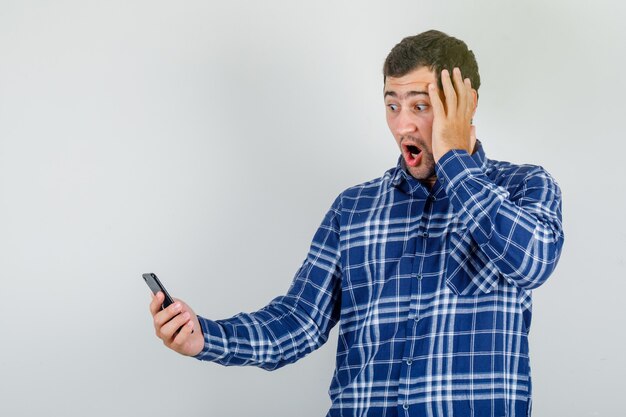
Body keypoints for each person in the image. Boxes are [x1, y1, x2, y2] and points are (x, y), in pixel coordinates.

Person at [149, 30, 564, 416]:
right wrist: (204, 337)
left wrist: (454, 157)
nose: (403, 124)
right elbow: (299, 321)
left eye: (421, 106)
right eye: (392, 105)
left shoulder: (524, 187)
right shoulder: (353, 209)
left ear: (464, 104)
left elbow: (530, 262)